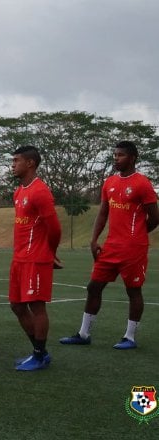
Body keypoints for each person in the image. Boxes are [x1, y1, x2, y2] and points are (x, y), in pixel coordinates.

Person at [60, 141, 159, 349]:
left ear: (132, 158)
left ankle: (129, 337)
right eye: (114, 155)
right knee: (93, 286)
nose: (116, 158)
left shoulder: (142, 183)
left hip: (134, 248)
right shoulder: (109, 182)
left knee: (133, 290)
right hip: (110, 246)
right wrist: (94, 239)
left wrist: (137, 235)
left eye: (120, 155)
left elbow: (154, 217)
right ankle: (84, 333)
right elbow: (103, 212)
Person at [9, 146, 61, 371]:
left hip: (36, 259)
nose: (13, 164)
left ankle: (39, 356)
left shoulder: (40, 191)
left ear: (30, 163)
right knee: (16, 305)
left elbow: (55, 229)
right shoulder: (19, 191)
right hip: (19, 258)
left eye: (17, 160)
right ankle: (40, 352)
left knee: (36, 307)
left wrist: (50, 253)